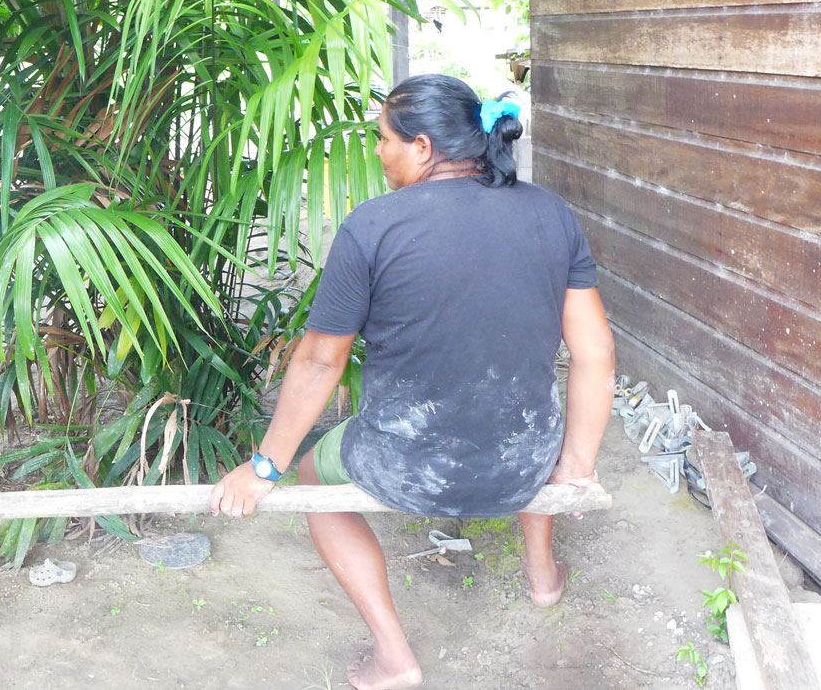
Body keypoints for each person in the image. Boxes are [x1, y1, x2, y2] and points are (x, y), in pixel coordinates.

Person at [209, 74, 616, 690]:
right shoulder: (550, 213)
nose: (377, 152)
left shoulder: (373, 228)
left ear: (422, 147)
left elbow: (321, 362)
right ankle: (541, 575)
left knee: (316, 471)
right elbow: (595, 354)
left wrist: (266, 467)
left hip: (404, 464)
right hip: (524, 459)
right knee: (532, 414)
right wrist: (577, 464)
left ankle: (394, 657)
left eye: (383, 139)